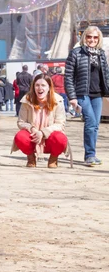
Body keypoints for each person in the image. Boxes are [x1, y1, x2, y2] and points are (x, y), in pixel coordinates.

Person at [65, 26, 109, 166]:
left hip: (97, 94)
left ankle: (92, 154)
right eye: (89, 36)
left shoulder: (101, 54)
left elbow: (106, 76)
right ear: (84, 37)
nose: (92, 40)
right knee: (90, 123)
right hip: (82, 94)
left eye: (95, 37)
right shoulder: (76, 53)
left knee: (95, 125)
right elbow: (68, 77)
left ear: (99, 39)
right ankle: (89, 155)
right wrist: (72, 97)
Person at [12, 74, 68, 168]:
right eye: (37, 85)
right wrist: (32, 129)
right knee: (20, 136)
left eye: (43, 85)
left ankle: (53, 159)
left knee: (61, 138)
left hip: (50, 138)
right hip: (33, 136)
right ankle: (31, 157)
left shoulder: (58, 101)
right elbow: (21, 122)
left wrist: (43, 132)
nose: (39, 88)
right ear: (33, 87)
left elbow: (60, 124)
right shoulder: (27, 100)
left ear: (49, 87)